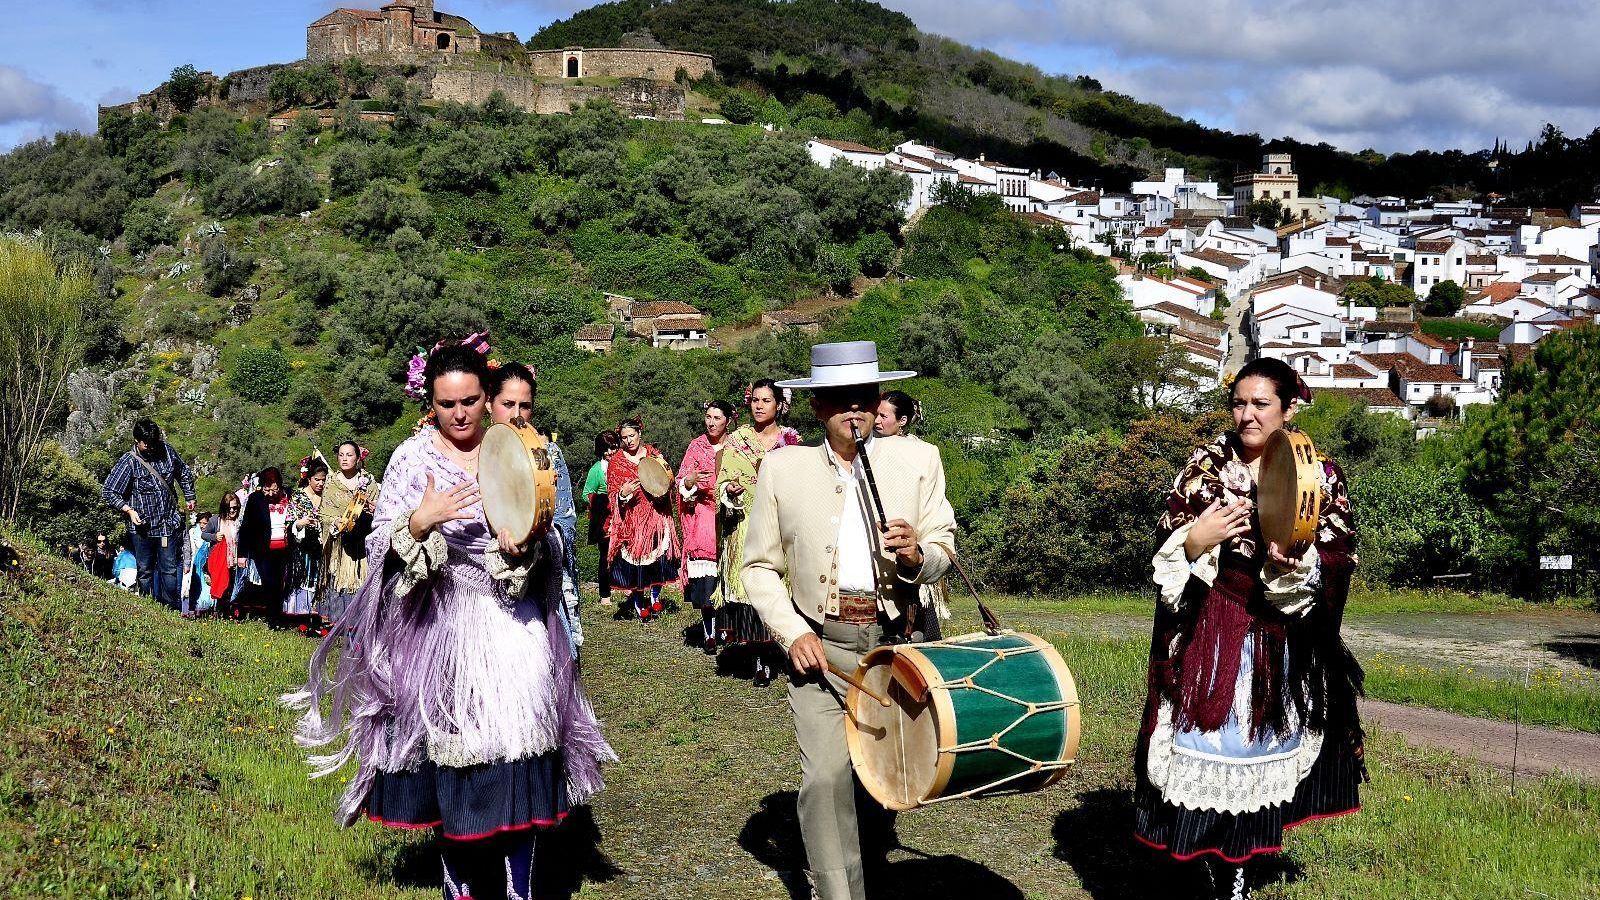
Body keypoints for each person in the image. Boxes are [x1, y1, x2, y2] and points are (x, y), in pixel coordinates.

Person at [285, 339, 614, 900]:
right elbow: (378, 543)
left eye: (469, 400)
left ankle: (519, 887)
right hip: (440, 622)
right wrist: (419, 522)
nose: (459, 413)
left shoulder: (513, 450)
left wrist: (524, 548)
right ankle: (459, 884)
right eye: (446, 404)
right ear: (430, 404)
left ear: (487, 398)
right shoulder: (411, 460)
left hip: (514, 620)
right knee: (454, 759)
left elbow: (554, 534)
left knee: (522, 747)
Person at [1134, 357, 1363, 900]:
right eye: (1239, 402)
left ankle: (1238, 867)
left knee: (1256, 749)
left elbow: (1339, 555)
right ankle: (1204, 859)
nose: (1247, 414)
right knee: (1205, 744)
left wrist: (1300, 567)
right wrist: (1196, 540)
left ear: (1287, 409)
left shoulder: (1318, 476)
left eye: (1261, 404)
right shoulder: (1204, 468)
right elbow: (1168, 559)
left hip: (1277, 634)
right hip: (1212, 630)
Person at [743, 341, 957, 900]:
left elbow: (943, 548)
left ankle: (865, 867)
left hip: (893, 648)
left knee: (881, 782)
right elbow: (759, 568)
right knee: (825, 778)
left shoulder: (919, 460)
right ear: (817, 407)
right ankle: (837, 893)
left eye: (864, 398)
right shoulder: (781, 469)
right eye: (840, 400)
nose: (854, 410)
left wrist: (917, 556)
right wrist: (793, 633)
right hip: (820, 646)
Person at [486, 361, 583, 651]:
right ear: (489, 404)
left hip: (535, 594)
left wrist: (533, 540)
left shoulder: (548, 454)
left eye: (524, 406)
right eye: (507, 403)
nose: (517, 415)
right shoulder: (475, 454)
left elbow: (566, 526)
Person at [717, 379, 805, 686]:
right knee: (753, 593)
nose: (759, 405)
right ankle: (759, 660)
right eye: (755, 399)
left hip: (782, 529)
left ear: (779, 405)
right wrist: (728, 489)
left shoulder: (792, 442)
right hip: (746, 527)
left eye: (766, 400)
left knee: (781, 593)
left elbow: (801, 485)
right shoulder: (736, 441)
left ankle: (780, 652)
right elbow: (720, 482)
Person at [873, 390, 946, 642]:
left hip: (911, 551)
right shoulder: (866, 448)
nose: (877, 420)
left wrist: (919, 552)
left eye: (884, 415)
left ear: (902, 421)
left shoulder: (923, 453)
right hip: (881, 550)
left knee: (915, 629)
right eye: (876, 414)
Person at [101, 419, 197, 609]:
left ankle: (172, 611)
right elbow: (109, 491)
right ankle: (149, 609)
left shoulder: (167, 452)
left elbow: (184, 473)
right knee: (145, 571)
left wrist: (189, 496)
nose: (151, 447)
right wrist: (128, 510)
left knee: (169, 570)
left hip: (167, 524)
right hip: (142, 529)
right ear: (137, 440)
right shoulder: (128, 461)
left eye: (154, 442)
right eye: (147, 443)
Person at [605, 417, 681, 623]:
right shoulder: (616, 463)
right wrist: (622, 493)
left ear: (640, 433)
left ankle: (655, 595)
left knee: (658, 560)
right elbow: (612, 494)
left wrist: (662, 488)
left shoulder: (654, 455)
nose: (629, 441)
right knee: (636, 564)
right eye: (624, 438)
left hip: (656, 515)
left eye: (632, 436)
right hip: (633, 519)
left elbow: (667, 481)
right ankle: (639, 603)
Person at [678, 400, 735, 652]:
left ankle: (728, 627)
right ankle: (709, 631)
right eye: (708, 417)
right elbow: (681, 480)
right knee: (708, 582)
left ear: (728, 421)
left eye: (717, 418)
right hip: (704, 518)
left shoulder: (737, 446)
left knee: (729, 577)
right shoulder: (696, 447)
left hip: (732, 517)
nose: (711, 422)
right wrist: (689, 482)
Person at [317, 441, 383, 628]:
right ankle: (337, 622)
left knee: (360, 579)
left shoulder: (367, 480)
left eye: (349, 455)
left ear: (358, 457)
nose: (345, 459)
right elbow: (324, 512)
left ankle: (359, 622)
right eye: (341, 455)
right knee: (339, 579)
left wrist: (372, 508)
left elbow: (379, 507)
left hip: (361, 541)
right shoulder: (331, 482)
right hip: (339, 542)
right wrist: (335, 522)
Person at [236, 467, 293, 619]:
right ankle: (272, 617)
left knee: (280, 582)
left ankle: (277, 615)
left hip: (284, 549)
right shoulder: (255, 499)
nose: (269, 493)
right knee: (269, 582)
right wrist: (242, 554)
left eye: (273, 489)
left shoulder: (289, 495)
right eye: (266, 489)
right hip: (262, 549)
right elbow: (246, 526)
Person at [284, 458, 329, 628]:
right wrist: (300, 523)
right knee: (303, 579)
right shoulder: (298, 497)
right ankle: (300, 617)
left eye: (323, 480)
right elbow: (289, 522)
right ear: (309, 478)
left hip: (323, 547)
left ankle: (318, 618)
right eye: (317, 479)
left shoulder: (327, 498)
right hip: (303, 549)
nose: (320, 483)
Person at [581, 431, 620, 608]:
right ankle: (605, 594)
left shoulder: (622, 465)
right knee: (605, 556)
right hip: (605, 519)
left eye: (613, 447)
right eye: (607, 449)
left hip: (623, 516)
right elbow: (586, 493)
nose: (611, 451)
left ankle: (624, 586)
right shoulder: (597, 470)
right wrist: (603, 502)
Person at [203, 493, 243, 617]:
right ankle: (221, 613)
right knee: (222, 587)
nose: (232, 510)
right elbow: (204, 534)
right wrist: (214, 537)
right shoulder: (216, 520)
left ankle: (230, 613)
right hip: (220, 561)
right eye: (229, 508)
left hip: (236, 560)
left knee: (233, 588)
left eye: (235, 508)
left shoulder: (239, 521)